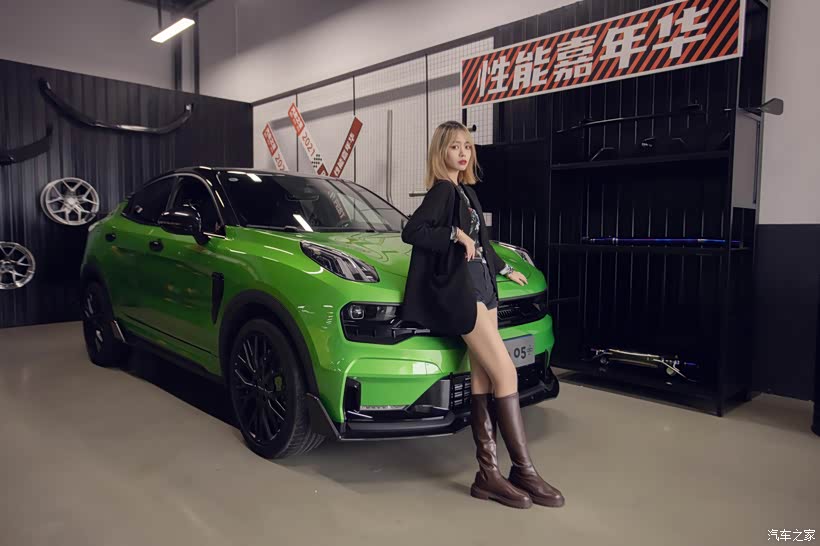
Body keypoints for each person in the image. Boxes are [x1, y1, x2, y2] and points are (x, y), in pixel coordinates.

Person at [401, 121, 565, 510]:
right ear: (440, 152)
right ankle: (523, 470)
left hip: (486, 287)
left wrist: (505, 269)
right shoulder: (442, 191)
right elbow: (413, 231)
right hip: (464, 292)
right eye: (454, 146)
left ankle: (487, 475)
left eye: (467, 146)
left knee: (483, 378)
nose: (463, 153)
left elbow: (483, 243)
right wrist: (453, 235)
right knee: (506, 373)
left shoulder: (467, 191)